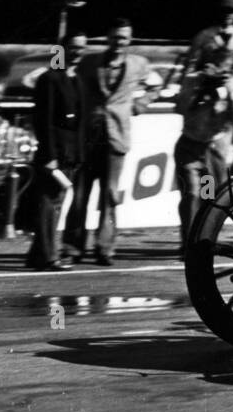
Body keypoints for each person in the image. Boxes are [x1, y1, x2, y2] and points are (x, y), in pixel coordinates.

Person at [67, 17, 150, 266]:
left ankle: (105, 248)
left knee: (110, 196)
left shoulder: (139, 64)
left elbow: (153, 86)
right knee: (80, 194)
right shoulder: (89, 61)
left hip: (116, 138)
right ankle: (73, 247)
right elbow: (64, 75)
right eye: (114, 37)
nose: (118, 42)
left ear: (129, 40)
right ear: (107, 38)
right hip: (88, 138)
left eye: (123, 38)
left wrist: (140, 105)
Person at [25, 33, 86, 270]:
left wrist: (79, 154)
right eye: (72, 47)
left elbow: (79, 123)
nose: (77, 52)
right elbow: (44, 120)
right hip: (54, 152)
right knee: (50, 203)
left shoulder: (76, 80)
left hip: (71, 152)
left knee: (56, 203)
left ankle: (38, 254)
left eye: (81, 48)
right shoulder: (49, 79)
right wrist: (50, 156)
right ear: (61, 50)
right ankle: (49, 256)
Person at [174, 43, 233, 254]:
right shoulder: (193, 79)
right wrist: (201, 88)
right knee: (191, 193)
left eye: (224, 70)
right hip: (190, 146)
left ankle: (204, 240)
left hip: (213, 150)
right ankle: (189, 242)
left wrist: (229, 92)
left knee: (208, 196)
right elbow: (181, 108)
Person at [182, 0, 233, 175]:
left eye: (232, 12)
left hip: (228, 80)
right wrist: (203, 74)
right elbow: (191, 64)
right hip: (206, 80)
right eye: (225, 12)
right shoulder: (205, 35)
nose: (228, 16)